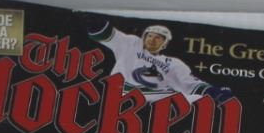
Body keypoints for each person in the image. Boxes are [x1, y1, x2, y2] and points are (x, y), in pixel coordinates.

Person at [87, 17, 229, 103]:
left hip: (154, 102)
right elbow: (108, 36)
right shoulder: (132, 44)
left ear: (164, 43)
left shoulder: (173, 63)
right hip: (120, 94)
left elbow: (190, 84)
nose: (152, 39)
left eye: (158, 37)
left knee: (192, 98)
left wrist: (213, 92)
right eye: (149, 36)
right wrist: (94, 23)